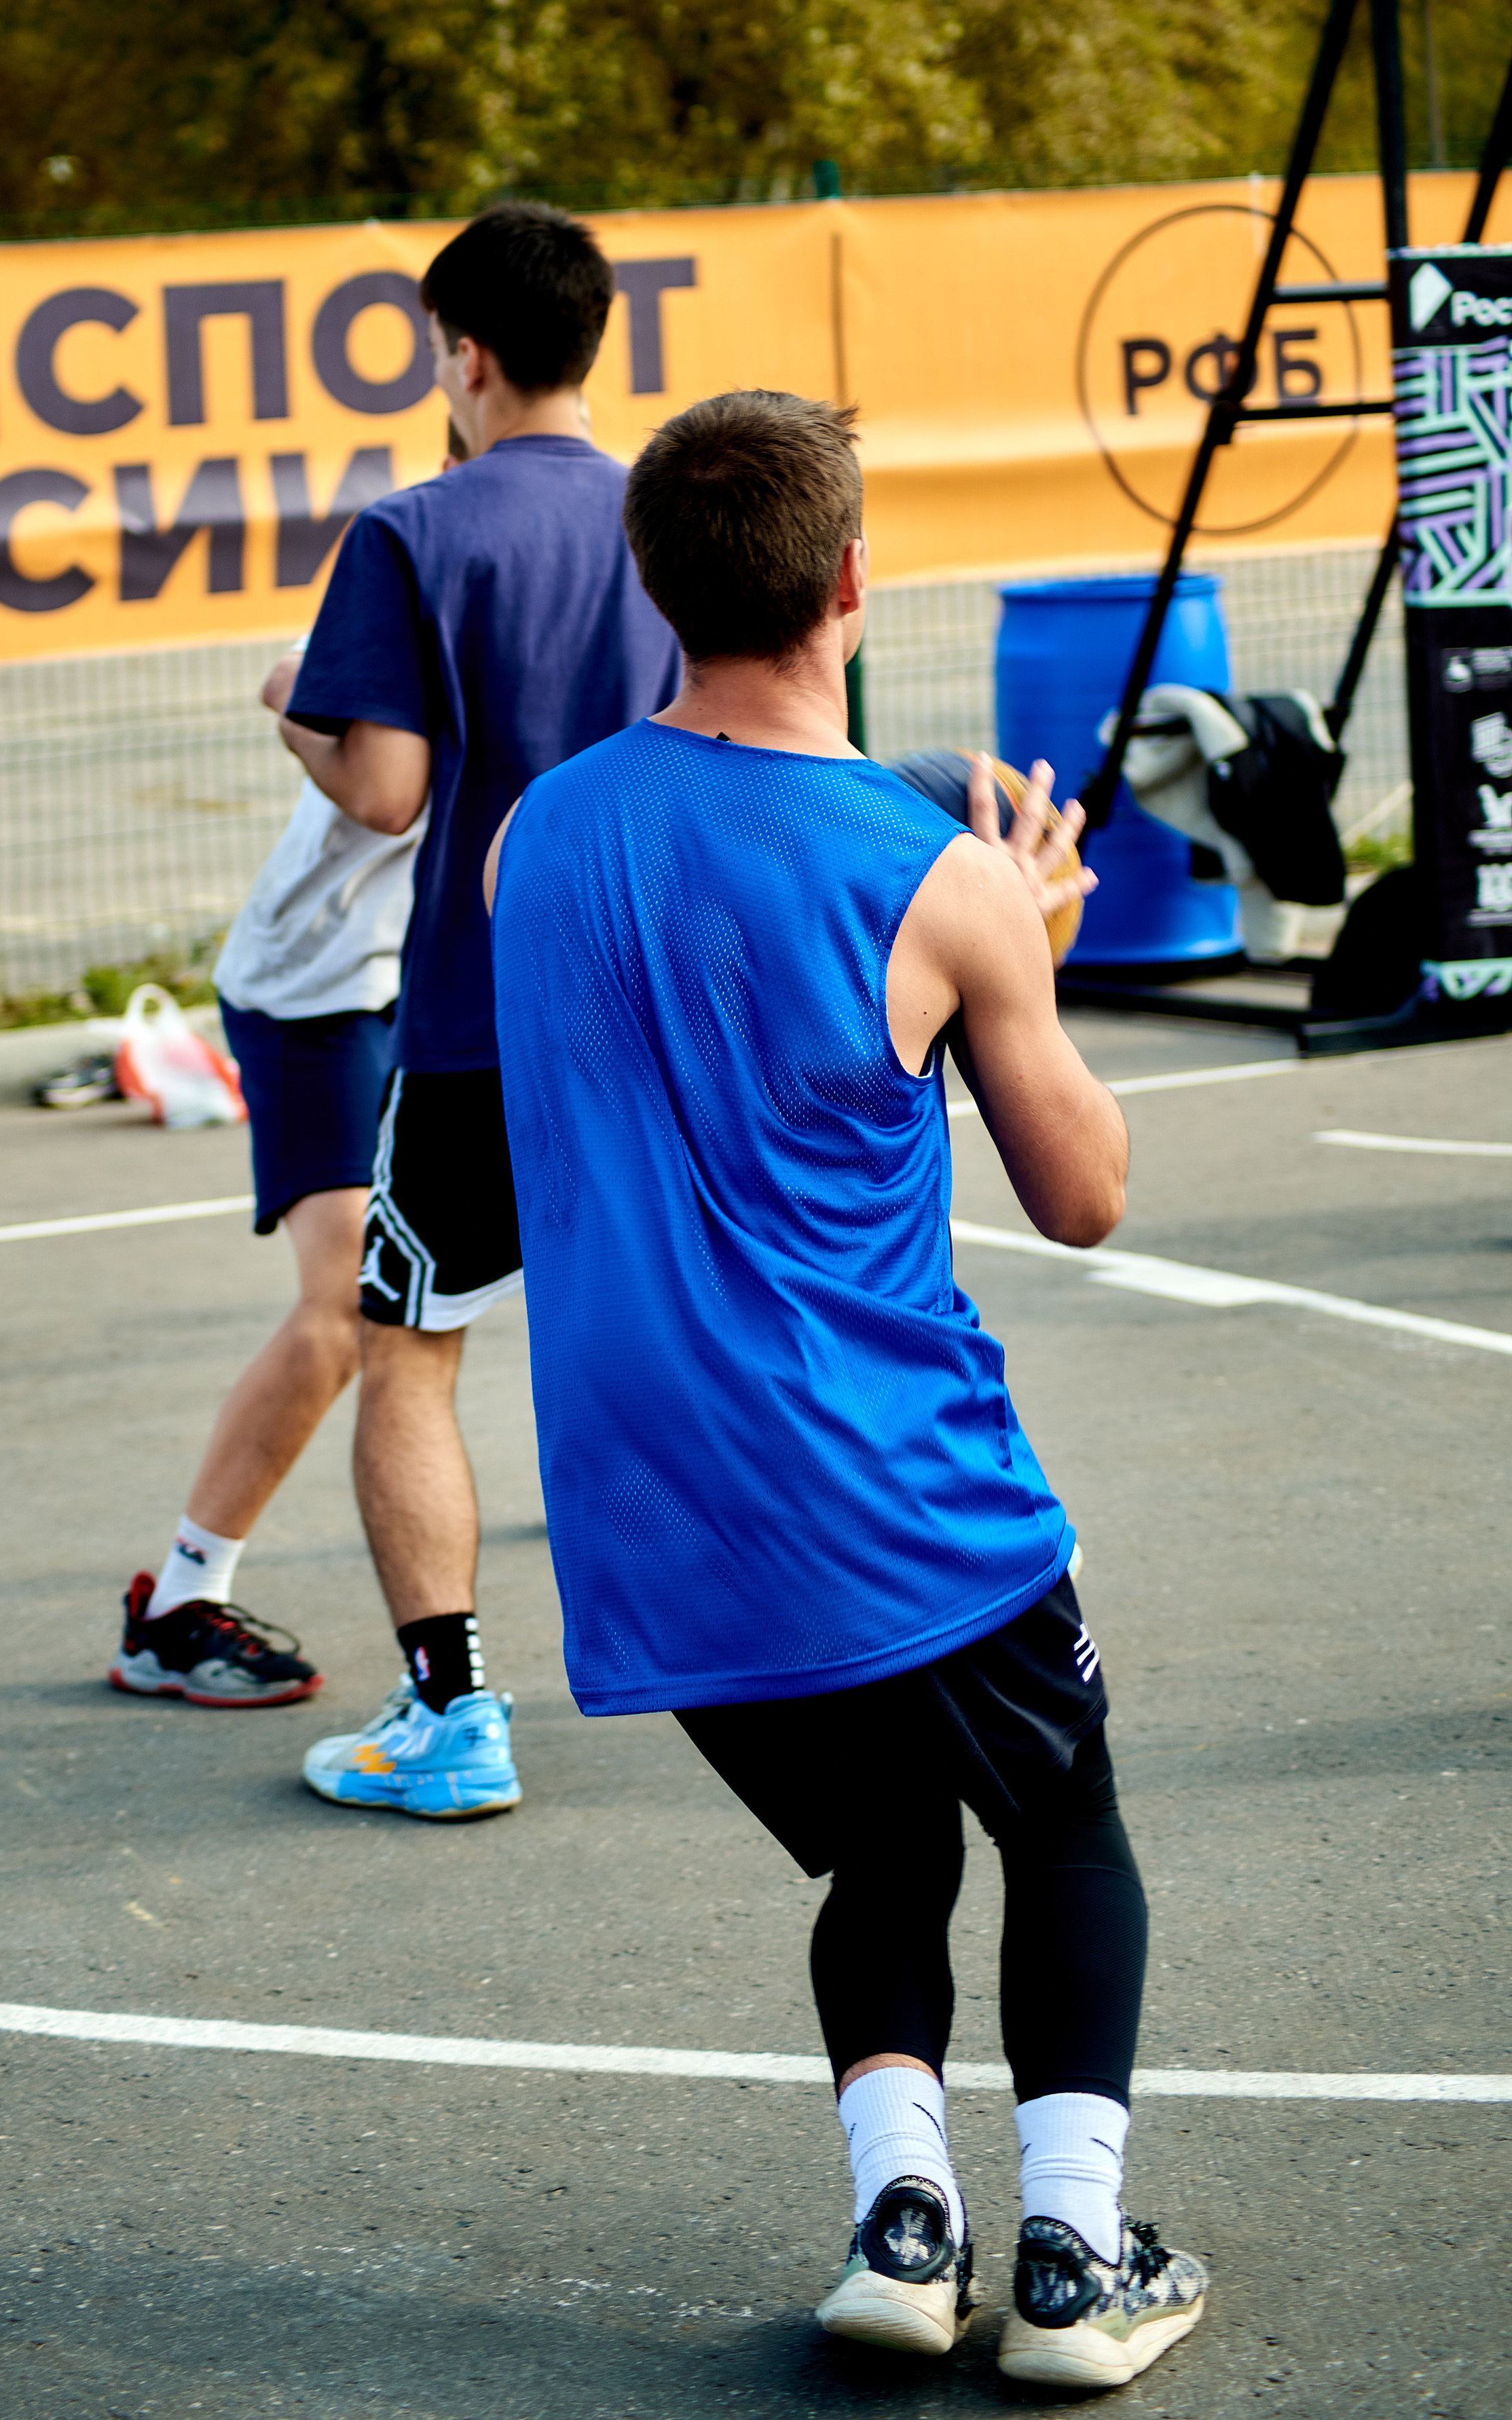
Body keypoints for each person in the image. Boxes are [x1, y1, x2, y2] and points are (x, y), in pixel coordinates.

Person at [485, 391, 1210, 2387]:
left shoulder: (532, 840)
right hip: (885, 1477)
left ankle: (906, 2224)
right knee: (1069, 1824)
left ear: (655, 588)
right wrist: (1025, 949)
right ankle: (1070, 2255)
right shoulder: (936, 876)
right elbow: (1086, 1194)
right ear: (854, 583)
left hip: (651, 1516)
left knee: (884, 1854)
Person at [270, 203, 681, 1818]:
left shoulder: (416, 528)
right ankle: (837, 1640)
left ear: (468, 356)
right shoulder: (680, 514)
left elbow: (382, 797)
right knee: (704, 1315)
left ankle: (451, 1717)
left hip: (486, 1023)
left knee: (410, 1351)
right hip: (670, 1010)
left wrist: (294, 722)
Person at [107, 623, 425, 1707]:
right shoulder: (427, 563)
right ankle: (177, 1607)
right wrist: (319, 710)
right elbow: (292, 678)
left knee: (581, 1234)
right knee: (346, 1303)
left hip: (441, 984)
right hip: (320, 989)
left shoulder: (611, 583)